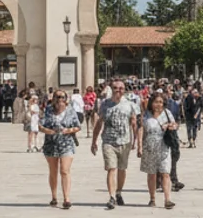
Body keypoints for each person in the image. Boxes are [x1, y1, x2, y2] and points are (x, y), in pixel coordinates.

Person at [91, 78, 138, 209]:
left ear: (124, 90)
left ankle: (118, 192)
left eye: (121, 88)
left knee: (122, 169)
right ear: (111, 89)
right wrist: (94, 141)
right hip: (108, 141)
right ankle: (111, 197)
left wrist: (136, 141)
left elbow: (134, 123)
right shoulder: (105, 104)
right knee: (111, 168)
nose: (118, 90)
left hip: (125, 141)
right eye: (116, 88)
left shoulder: (130, 104)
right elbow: (99, 123)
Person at [39, 89, 80, 210]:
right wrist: (49, 131)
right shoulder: (48, 110)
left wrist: (69, 130)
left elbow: (78, 126)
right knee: (53, 171)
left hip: (66, 144)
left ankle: (66, 198)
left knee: (64, 170)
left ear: (66, 99)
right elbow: (41, 126)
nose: (59, 100)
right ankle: (54, 196)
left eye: (62, 97)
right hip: (51, 144)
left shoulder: (71, 111)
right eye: (57, 97)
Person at [137, 91, 176, 209]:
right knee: (152, 173)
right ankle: (152, 198)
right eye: (156, 102)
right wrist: (139, 146)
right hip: (149, 147)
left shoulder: (167, 113)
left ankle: (167, 199)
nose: (158, 104)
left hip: (164, 146)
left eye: (160, 102)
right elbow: (141, 129)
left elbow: (175, 125)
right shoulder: (146, 114)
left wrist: (169, 126)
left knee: (165, 173)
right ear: (151, 103)